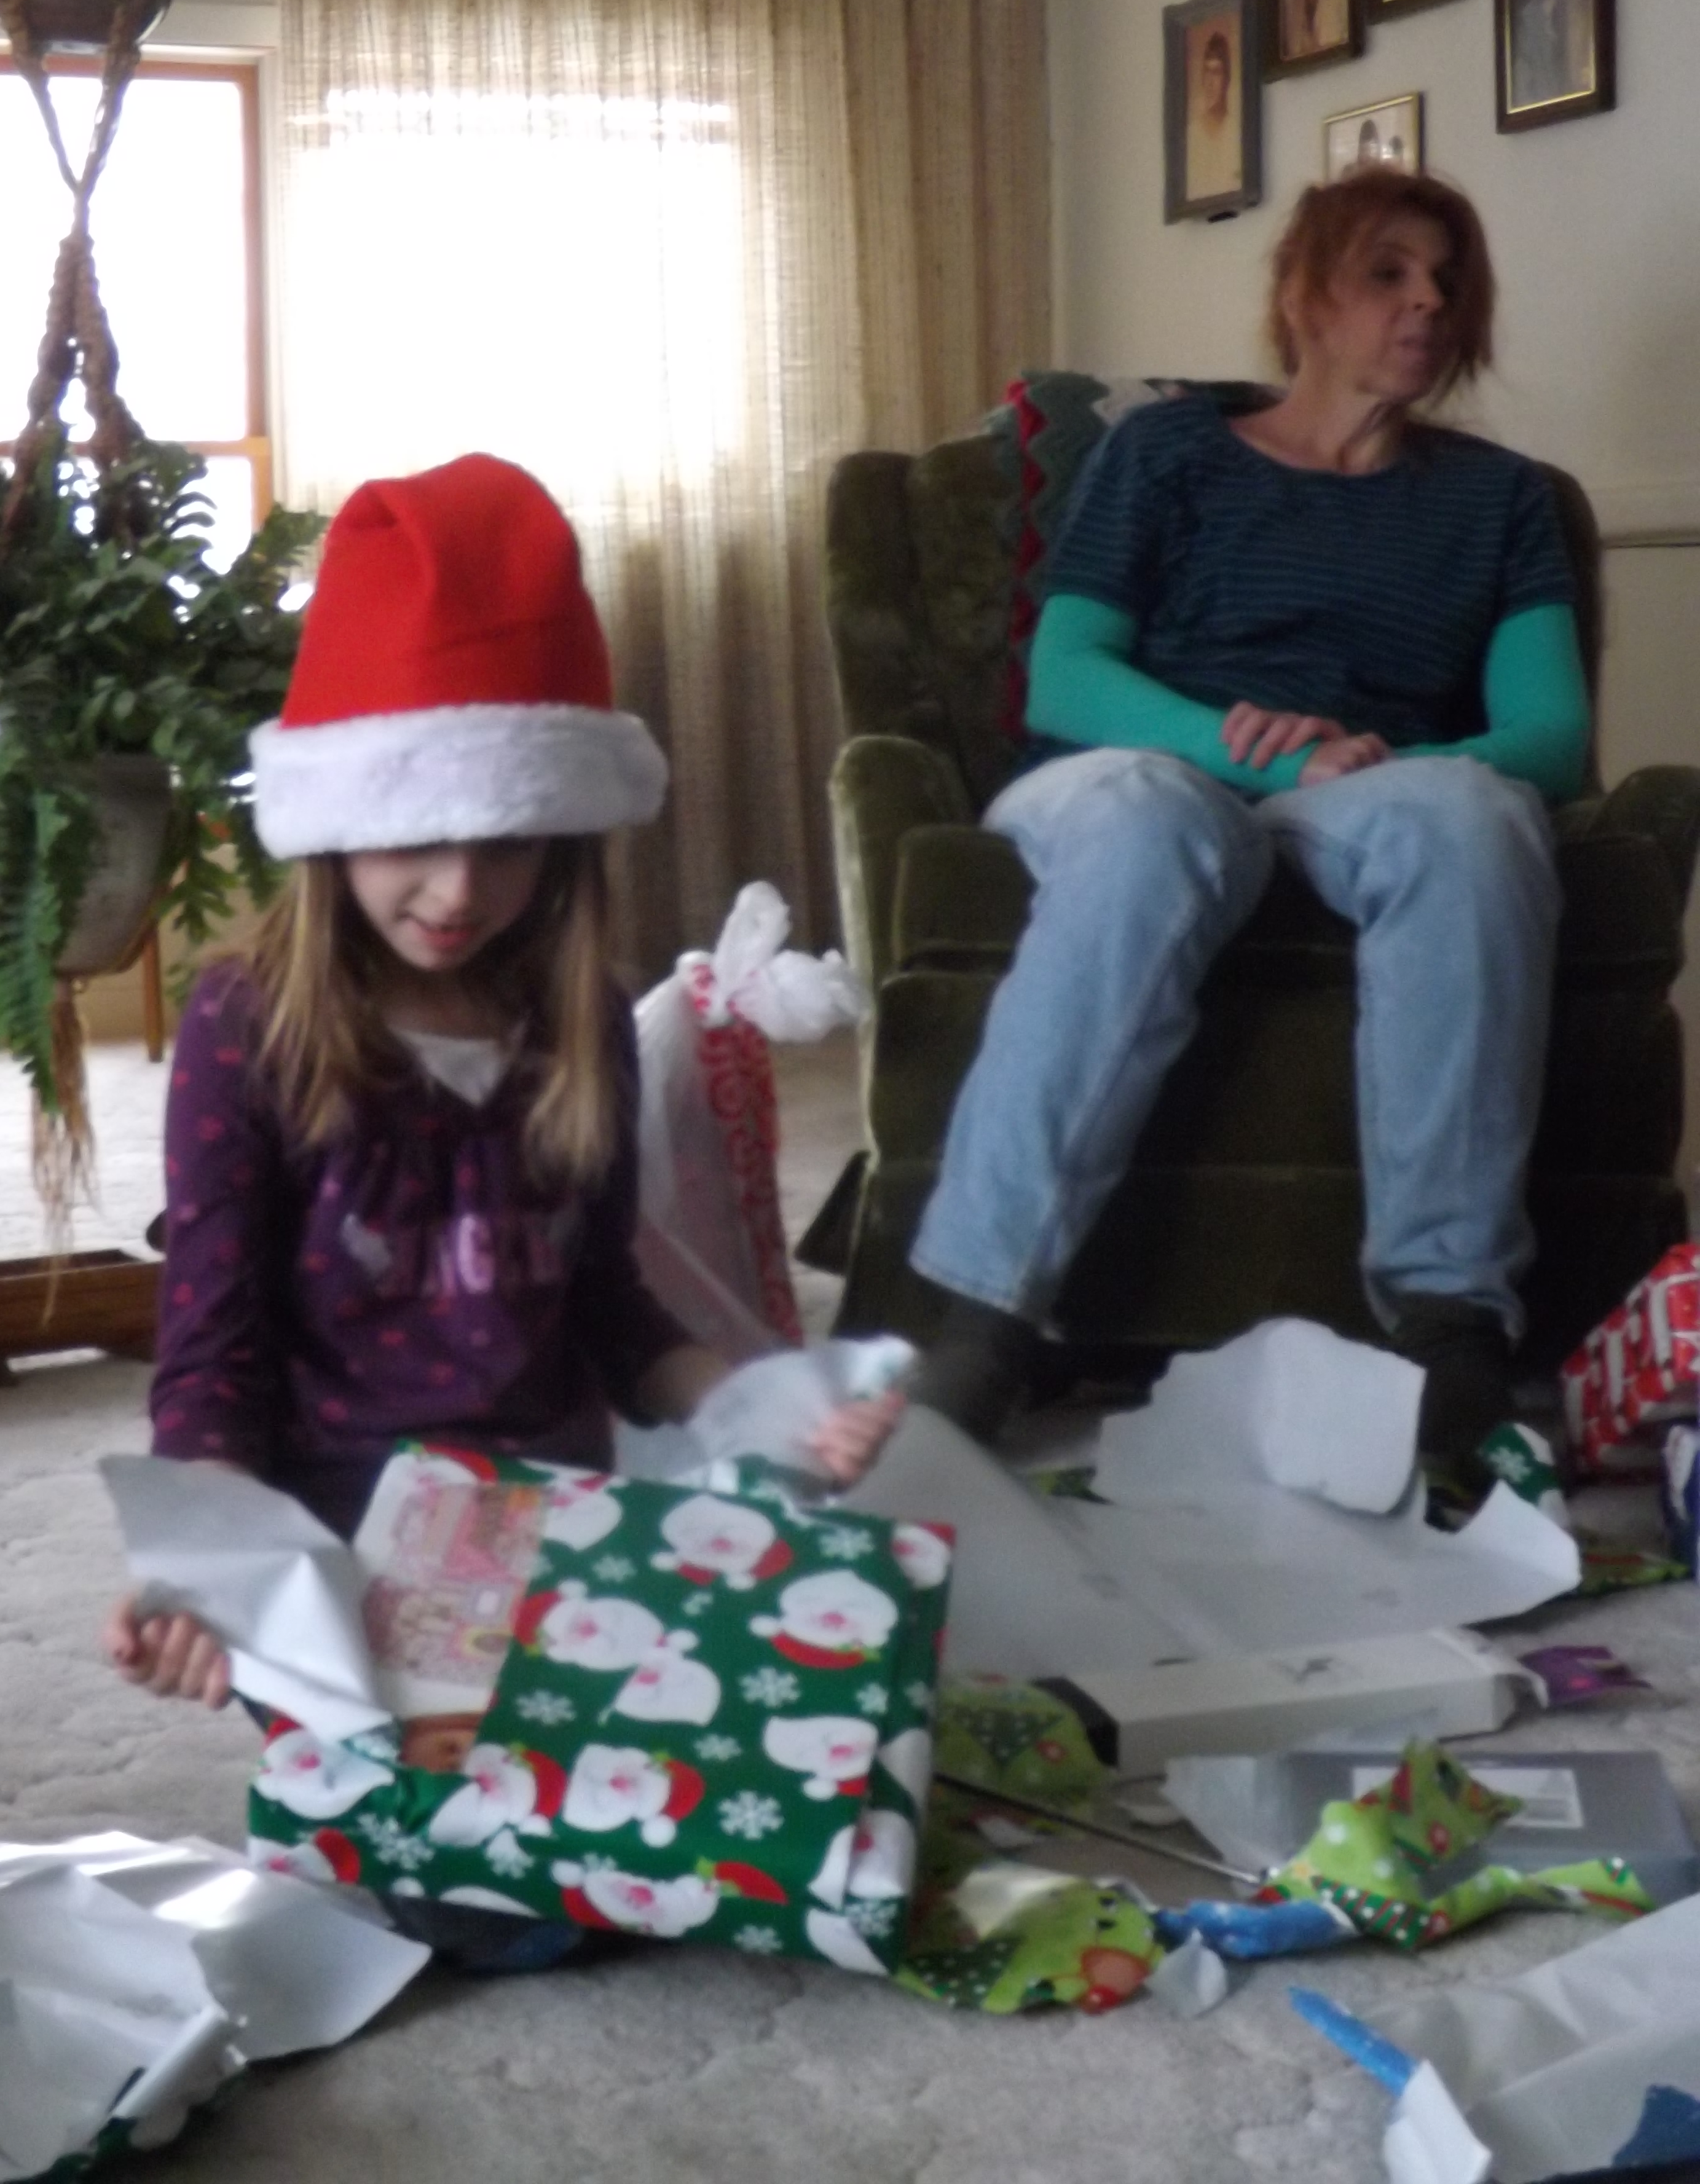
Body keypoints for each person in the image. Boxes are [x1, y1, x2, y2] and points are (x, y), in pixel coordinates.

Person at [108, 454, 902, 1713]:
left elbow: (608, 1307)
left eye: (509, 841)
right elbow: (214, 1343)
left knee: (740, 1740)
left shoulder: (581, 1023)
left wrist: (764, 1411)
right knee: (432, 1835)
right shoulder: (246, 1027)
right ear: (337, 824)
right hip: (336, 1546)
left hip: (554, 1528)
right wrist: (205, 1560)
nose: (460, 890)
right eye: (416, 836)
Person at [910, 168, 1592, 1491]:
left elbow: (1548, 735)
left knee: (1475, 818)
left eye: (1447, 278)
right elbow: (1068, 675)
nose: (1428, 300)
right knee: (1150, 827)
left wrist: (1373, 761)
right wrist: (1241, 744)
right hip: (1141, 763)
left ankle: (1451, 1319)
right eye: (1388, 271)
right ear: (1306, 296)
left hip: (1362, 786)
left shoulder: (1500, 498)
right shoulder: (1166, 452)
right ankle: (985, 1314)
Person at [1186, 28, 1242, 203]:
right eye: (1207, 72)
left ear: (1227, 79)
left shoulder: (1238, 132)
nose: (1210, 82)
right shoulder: (1191, 135)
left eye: (1216, 73)